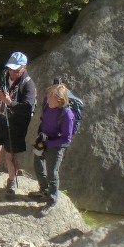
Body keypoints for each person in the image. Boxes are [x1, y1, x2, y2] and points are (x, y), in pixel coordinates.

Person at [0, 51, 36, 195]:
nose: (12, 72)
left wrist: (10, 102)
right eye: (10, 68)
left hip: (16, 125)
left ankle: (12, 182)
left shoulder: (28, 84)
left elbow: (28, 107)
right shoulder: (3, 75)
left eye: (16, 70)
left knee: (10, 155)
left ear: (24, 68)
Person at [33, 82, 76, 216]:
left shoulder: (67, 115)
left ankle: (51, 200)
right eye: (48, 95)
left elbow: (66, 139)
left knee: (52, 173)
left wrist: (49, 144)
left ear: (60, 100)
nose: (47, 98)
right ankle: (43, 190)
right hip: (43, 140)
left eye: (51, 96)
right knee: (37, 165)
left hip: (55, 147)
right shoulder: (48, 104)